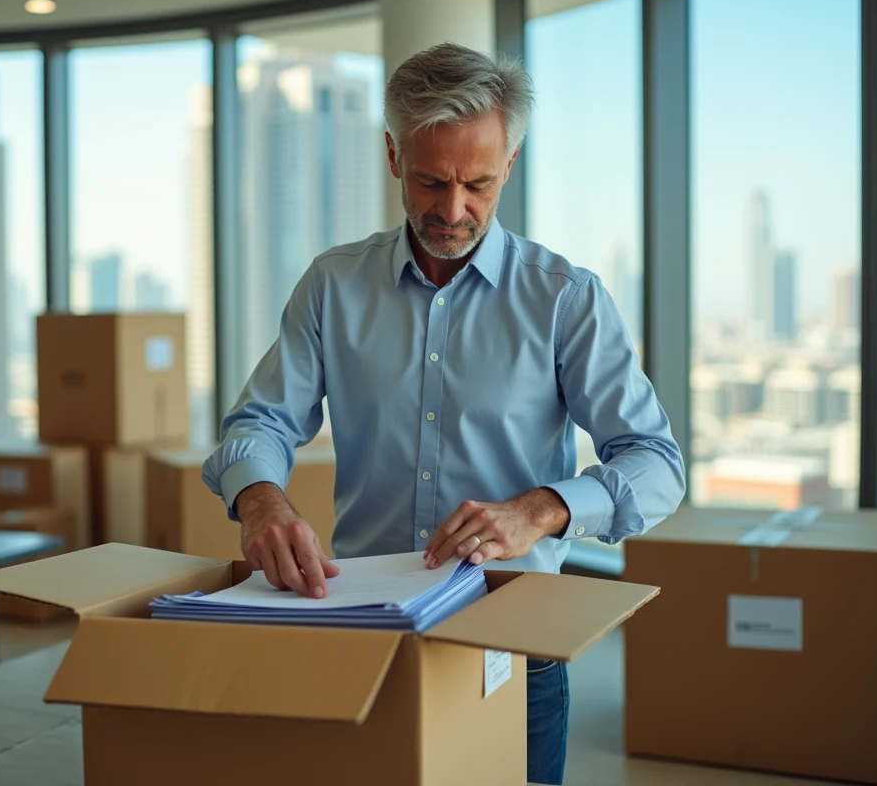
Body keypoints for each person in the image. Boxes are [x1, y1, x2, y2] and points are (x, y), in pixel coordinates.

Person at [202, 42, 686, 786]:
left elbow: (656, 463)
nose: (454, 211)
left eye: (479, 184)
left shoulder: (566, 298)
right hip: (365, 639)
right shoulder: (333, 286)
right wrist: (260, 500)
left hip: (516, 657)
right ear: (393, 156)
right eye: (431, 181)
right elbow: (258, 422)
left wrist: (543, 508)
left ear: (510, 165)